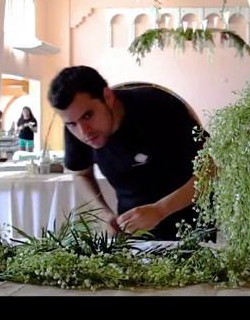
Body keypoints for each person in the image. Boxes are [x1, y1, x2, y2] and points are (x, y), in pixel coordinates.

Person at [47, 66, 203, 241]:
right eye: (71, 124)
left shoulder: (159, 106)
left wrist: (161, 209)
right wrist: (103, 214)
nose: (84, 132)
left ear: (108, 97)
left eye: (88, 116)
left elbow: (211, 168)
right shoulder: (74, 126)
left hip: (192, 224)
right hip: (133, 231)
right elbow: (81, 174)